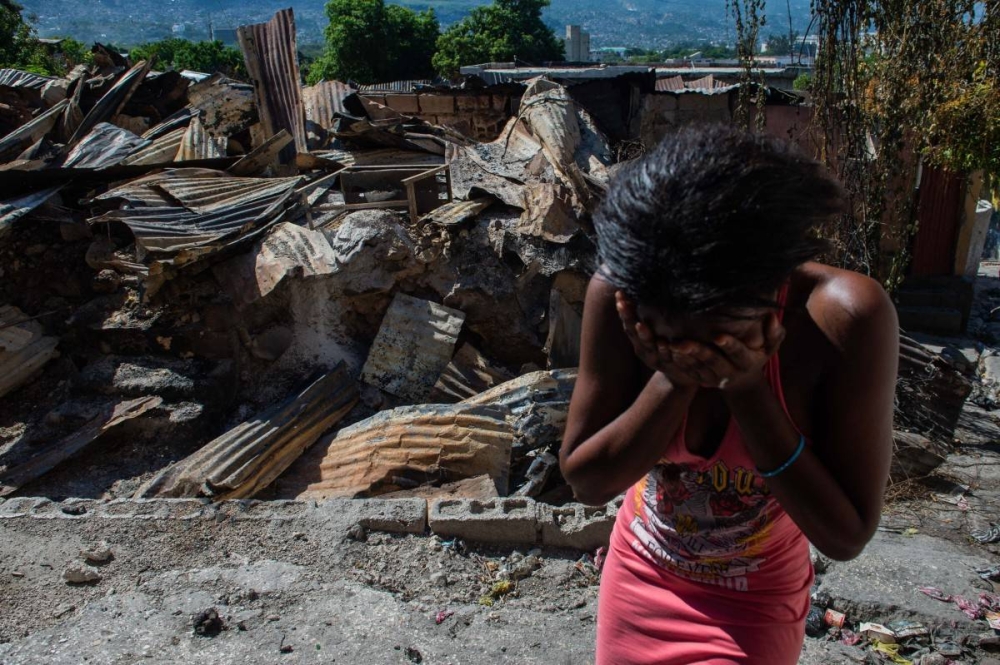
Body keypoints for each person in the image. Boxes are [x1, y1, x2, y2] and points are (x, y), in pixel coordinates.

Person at [559, 124, 899, 665]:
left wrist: (745, 385)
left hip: (756, 602)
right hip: (639, 575)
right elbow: (586, 479)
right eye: (668, 336)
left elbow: (845, 536)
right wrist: (675, 377)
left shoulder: (844, 317)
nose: (690, 349)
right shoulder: (624, 291)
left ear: (770, 289)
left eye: (714, 334)